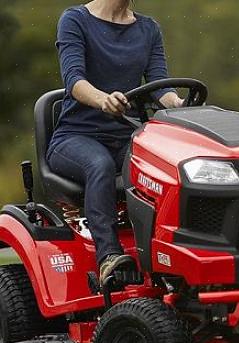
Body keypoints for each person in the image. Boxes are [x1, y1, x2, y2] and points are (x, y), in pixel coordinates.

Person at [47, 0, 183, 285]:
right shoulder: (75, 20)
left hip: (126, 135)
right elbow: (74, 80)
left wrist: (179, 103)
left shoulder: (148, 29)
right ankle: (108, 256)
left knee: (163, 169)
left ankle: (165, 255)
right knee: (100, 165)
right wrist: (103, 100)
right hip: (76, 136)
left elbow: (160, 85)